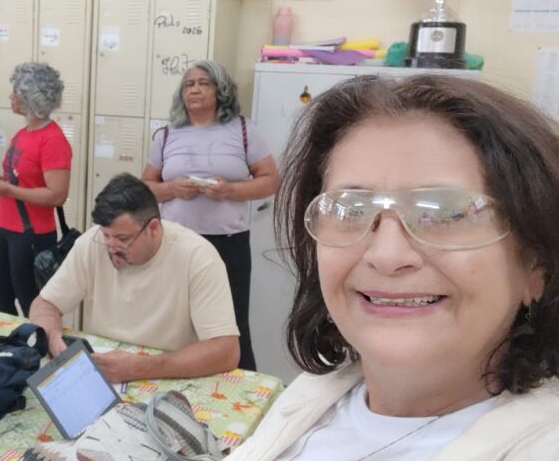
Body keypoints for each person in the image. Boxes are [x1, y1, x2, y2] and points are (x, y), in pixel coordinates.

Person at [227, 75, 559, 460]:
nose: (387, 256)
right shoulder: (319, 393)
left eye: (446, 212)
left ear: (536, 266)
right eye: (351, 210)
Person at [29, 173, 241, 383]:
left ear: (153, 229)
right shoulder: (91, 243)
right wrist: (53, 340)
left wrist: (141, 367)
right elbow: (45, 305)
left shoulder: (197, 256)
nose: (111, 247)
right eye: (106, 236)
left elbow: (226, 350)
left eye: (123, 238)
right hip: (105, 374)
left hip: (168, 374)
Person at [142, 60, 278, 371]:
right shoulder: (166, 135)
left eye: (204, 83)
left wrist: (230, 190)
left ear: (221, 90)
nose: (195, 89)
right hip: (175, 244)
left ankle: (241, 389)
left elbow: (271, 180)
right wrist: (172, 188)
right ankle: (177, 378)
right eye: (189, 84)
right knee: (175, 319)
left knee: (231, 323)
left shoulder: (244, 130)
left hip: (228, 243)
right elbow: (146, 187)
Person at [0, 62, 71, 317]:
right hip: (6, 228)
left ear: (32, 97)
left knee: (31, 301)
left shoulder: (52, 139)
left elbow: (57, 194)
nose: (11, 96)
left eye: (16, 91)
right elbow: (21, 180)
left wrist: (7, 189)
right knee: (0, 295)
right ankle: (11, 342)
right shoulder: (22, 133)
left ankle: (39, 341)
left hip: (31, 235)